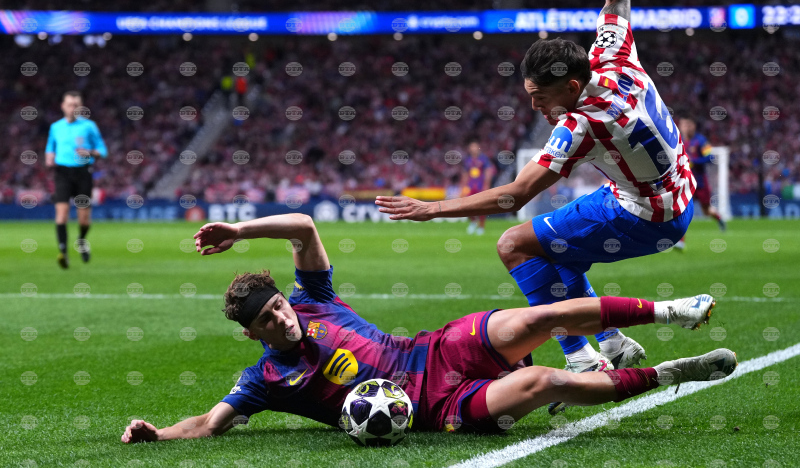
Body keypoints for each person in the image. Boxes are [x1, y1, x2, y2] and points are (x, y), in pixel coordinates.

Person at [376, 0, 697, 414]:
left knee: (514, 244)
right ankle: (610, 344)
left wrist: (434, 209)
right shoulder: (614, 58)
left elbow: (515, 196)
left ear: (571, 87)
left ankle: (581, 357)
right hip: (674, 194)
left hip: (645, 215)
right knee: (556, 247)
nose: (535, 108)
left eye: (540, 97)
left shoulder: (582, 125)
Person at [121, 214, 736, 442]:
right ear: (253, 334)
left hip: (437, 350)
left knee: (542, 317)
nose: (282, 318)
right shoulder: (264, 379)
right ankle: (665, 374)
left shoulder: (314, 299)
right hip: (438, 408)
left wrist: (240, 231)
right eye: (268, 320)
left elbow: (305, 227)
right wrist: (157, 434)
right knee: (546, 382)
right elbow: (208, 424)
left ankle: (670, 311)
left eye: (279, 305)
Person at [45, 91, 108, 268]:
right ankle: (63, 252)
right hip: (62, 173)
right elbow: (50, 146)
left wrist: (91, 152)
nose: (72, 108)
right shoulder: (56, 127)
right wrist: (49, 156)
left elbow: (103, 150)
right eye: (69, 104)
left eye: (76, 105)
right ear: (63, 106)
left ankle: (81, 240)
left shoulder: (89, 126)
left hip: (83, 173)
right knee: (61, 214)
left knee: (84, 219)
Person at [674, 118, 726, 250]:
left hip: (700, 181)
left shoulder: (701, 141)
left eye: (688, 125)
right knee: (682, 208)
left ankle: (719, 218)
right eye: (683, 125)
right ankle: (680, 240)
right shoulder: (678, 140)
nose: (686, 127)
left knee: (706, 211)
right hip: (685, 181)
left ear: (693, 126)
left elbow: (710, 157)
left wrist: (694, 161)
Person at [462, 140, 496, 236]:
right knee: (466, 206)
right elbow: (465, 174)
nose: (474, 149)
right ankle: (473, 222)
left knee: (481, 206)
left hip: (480, 186)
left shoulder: (483, 159)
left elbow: (488, 171)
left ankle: (481, 227)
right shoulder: (467, 160)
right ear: (469, 149)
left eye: (475, 147)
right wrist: (463, 186)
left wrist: (486, 185)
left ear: (478, 148)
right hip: (470, 186)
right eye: (472, 147)